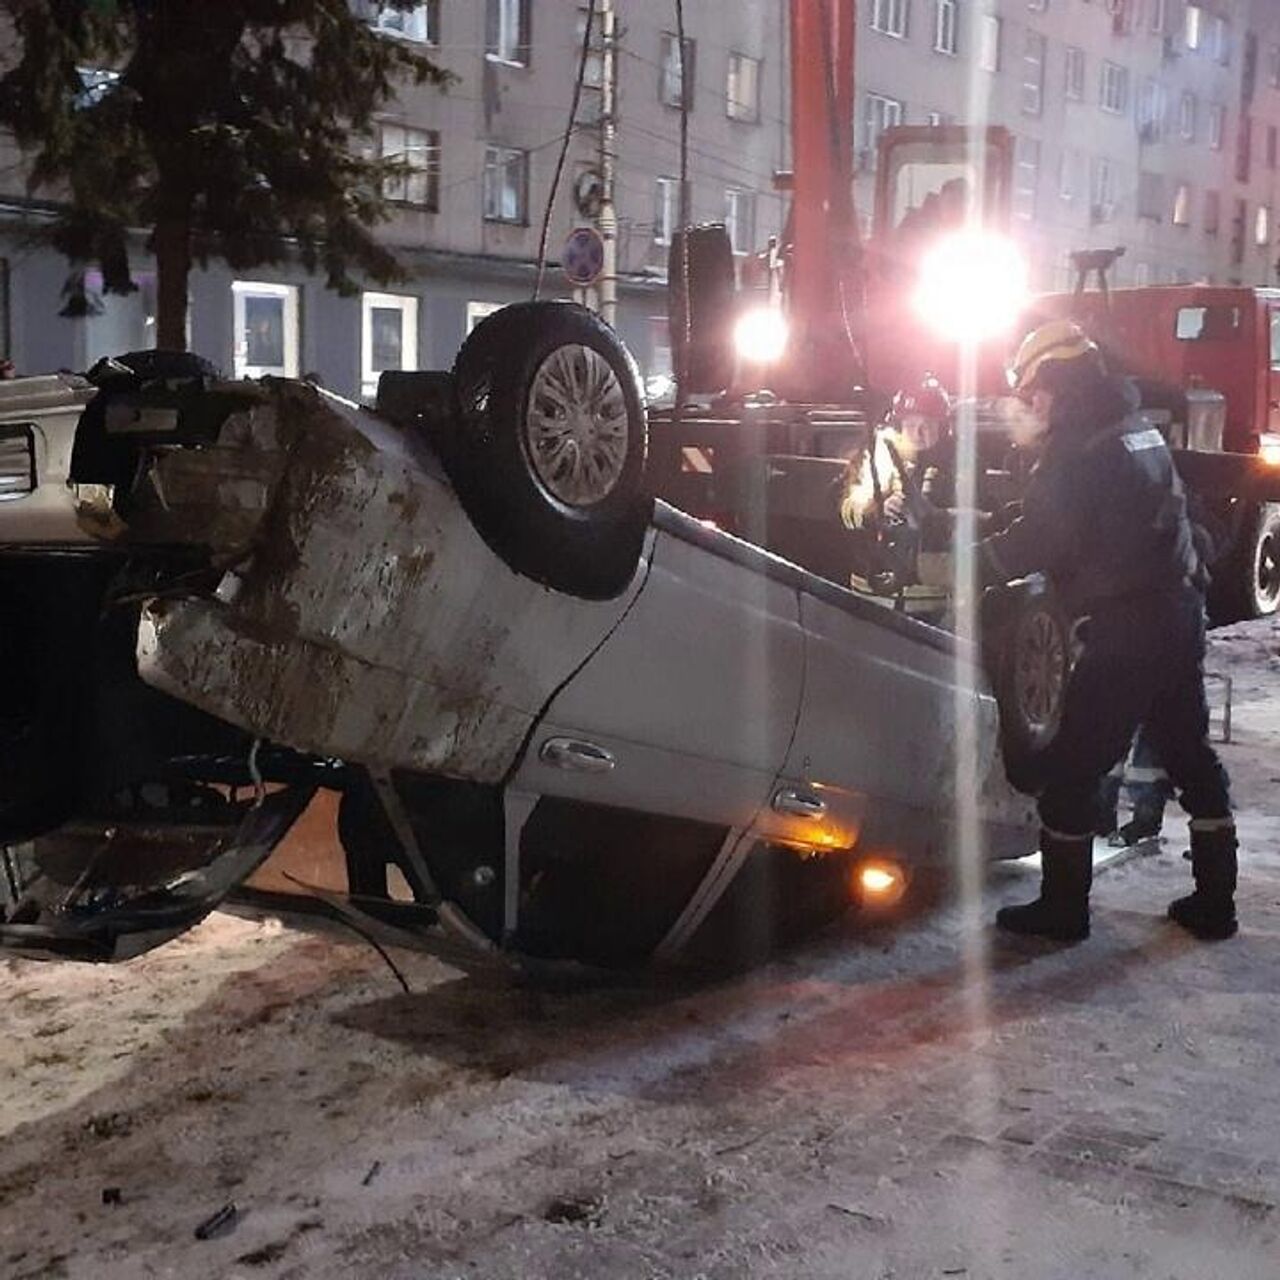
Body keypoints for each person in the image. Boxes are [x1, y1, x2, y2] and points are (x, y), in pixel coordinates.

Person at [978, 319, 1238, 943]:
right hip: (1177, 613)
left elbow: (1039, 540)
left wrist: (971, 559)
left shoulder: (1078, 453)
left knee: (1073, 768)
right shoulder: (1133, 429)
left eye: (1032, 394)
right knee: (1192, 757)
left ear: (1057, 388)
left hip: (1128, 629)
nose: (1028, 407)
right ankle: (1215, 902)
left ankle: (1063, 912)